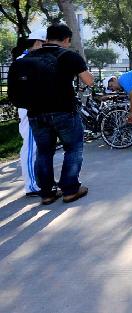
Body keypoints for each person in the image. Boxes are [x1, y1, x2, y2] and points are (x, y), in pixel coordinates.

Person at [27, 24, 94, 205]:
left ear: (47, 38)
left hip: (35, 113)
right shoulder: (69, 56)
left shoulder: (30, 56)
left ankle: (47, 194)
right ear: (66, 40)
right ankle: (70, 190)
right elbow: (89, 81)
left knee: (44, 152)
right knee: (73, 148)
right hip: (63, 111)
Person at [16, 29, 47, 197]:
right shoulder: (23, 61)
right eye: (43, 43)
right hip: (29, 108)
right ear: (37, 43)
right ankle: (31, 185)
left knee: (39, 147)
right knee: (29, 146)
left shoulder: (30, 60)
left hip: (37, 108)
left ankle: (40, 180)